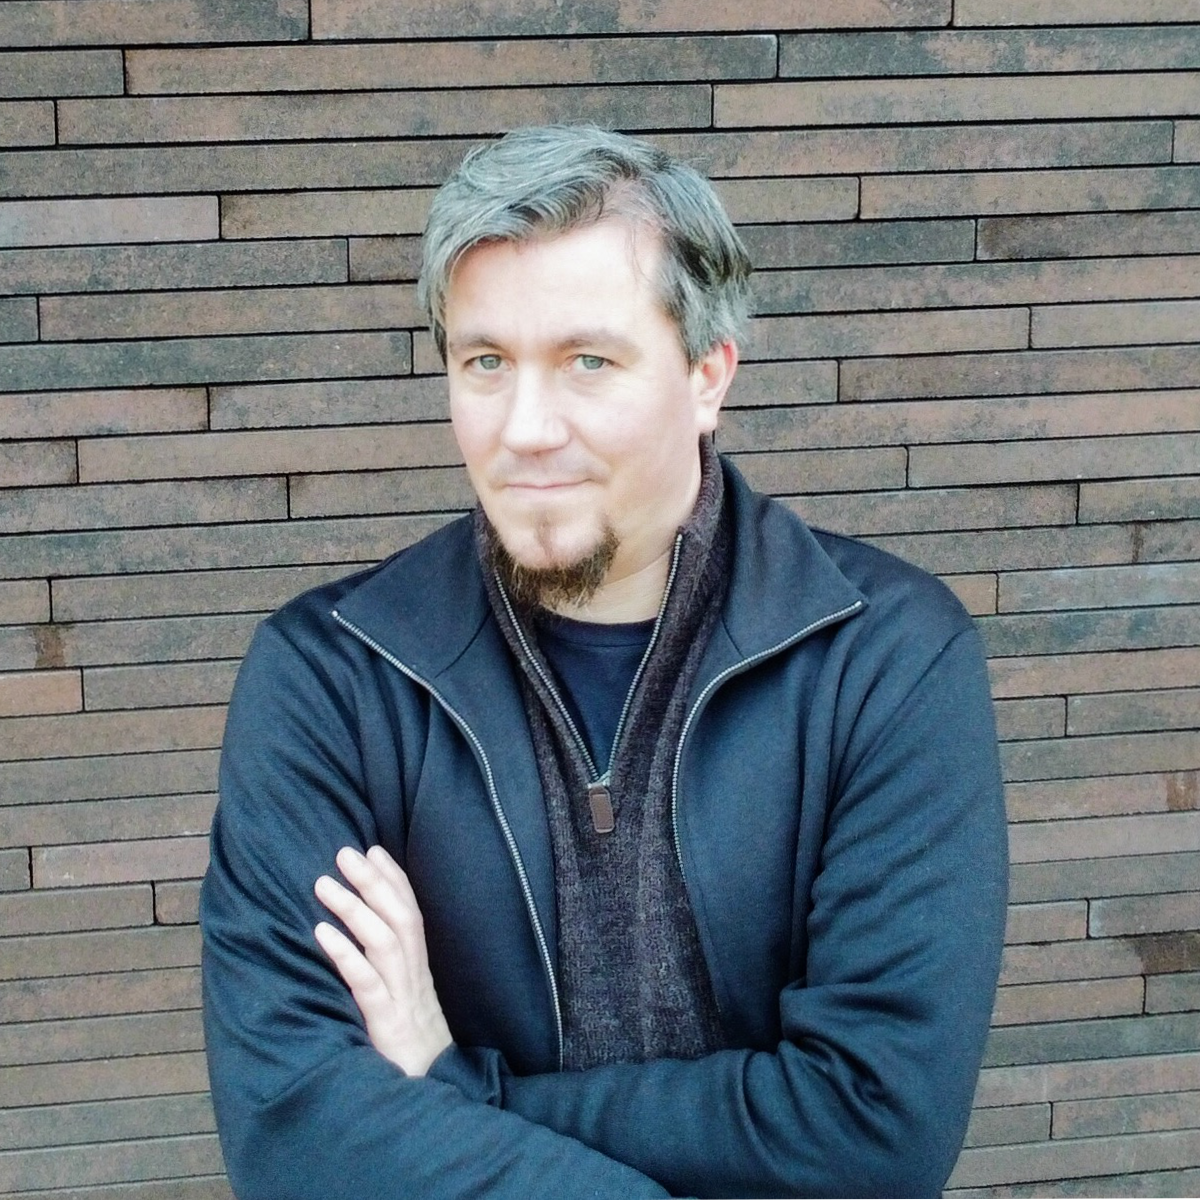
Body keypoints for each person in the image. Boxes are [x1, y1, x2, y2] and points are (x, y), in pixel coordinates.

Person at [201, 125, 1008, 1200]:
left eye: (588, 361)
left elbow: (873, 1131)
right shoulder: (335, 679)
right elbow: (296, 1132)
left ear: (708, 375)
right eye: (486, 362)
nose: (527, 428)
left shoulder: (886, 662)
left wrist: (456, 1090)